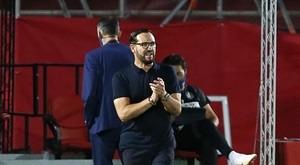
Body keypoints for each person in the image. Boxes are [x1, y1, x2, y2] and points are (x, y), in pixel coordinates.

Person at [161, 54, 257, 165]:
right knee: (205, 126)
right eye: (172, 74)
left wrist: (207, 129)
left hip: (193, 135)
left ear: (185, 71)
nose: (175, 78)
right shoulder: (162, 93)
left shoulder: (194, 92)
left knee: (209, 141)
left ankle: (233, 157)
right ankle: (233, 156)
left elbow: (213, 118)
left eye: (178, 74)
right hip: (172, 137)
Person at [112, 28, 182, 165]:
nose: (150, 48)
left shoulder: (167, 72)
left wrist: (164, 95)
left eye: (153, 44)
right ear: (133, 48)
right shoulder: (121, 77)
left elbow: (177, 110)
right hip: (134, 146)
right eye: (144, 45)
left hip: (163, 144)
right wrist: (151, 100)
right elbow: (123, 113)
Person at [81, 16, 134, 165]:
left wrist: (89, 119)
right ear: (120, 33)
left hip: (102, 122)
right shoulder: (133, 53)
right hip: (131, 123)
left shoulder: (93, 57)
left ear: (99, 33)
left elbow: (90, 93)